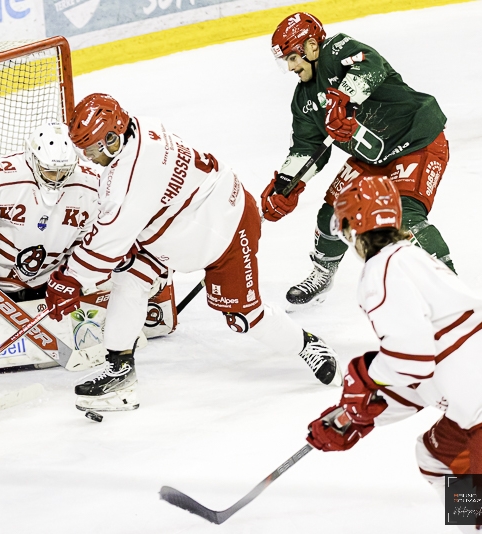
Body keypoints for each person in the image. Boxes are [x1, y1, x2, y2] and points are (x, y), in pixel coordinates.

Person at [44, 93, 342, 413]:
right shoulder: (142, 127)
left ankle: (308, 345)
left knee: (244, 317)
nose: (87, 158)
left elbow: (106, 242)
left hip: (226, 228)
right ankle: (120, 369)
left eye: (90, 149)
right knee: (129, 277)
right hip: (179, 224)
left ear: (113, 139)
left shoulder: (128, 179)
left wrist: (69, 280)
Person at [306, 175, 482, 531]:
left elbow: (411, 360)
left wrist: (363, 374)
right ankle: (478, 518)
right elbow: (430, 368)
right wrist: (363, 416)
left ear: (353, 225)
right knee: (434, 457)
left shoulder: (381, 270)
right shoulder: (411, 259)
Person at [264, 12, 455, 309]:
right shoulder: (303, 99)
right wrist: (285, 185)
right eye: (286, 61)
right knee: (331, 216)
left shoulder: (337, 50)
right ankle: (322, 274)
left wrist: (345, 97)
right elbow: (306, 148)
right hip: (370, 159)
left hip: (416, 142)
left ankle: (451, 290)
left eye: (292, 57)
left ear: (312, 46)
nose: (290, 67)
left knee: (406, 219)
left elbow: (371, 63)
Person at [0, 121, 100, 300]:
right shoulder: (1, 178)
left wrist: (72, 279)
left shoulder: (90, 186)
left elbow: (92, 237)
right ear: (32, 157)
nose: (57, 178)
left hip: (47, 283)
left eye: (64, 171)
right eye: (50, 170)